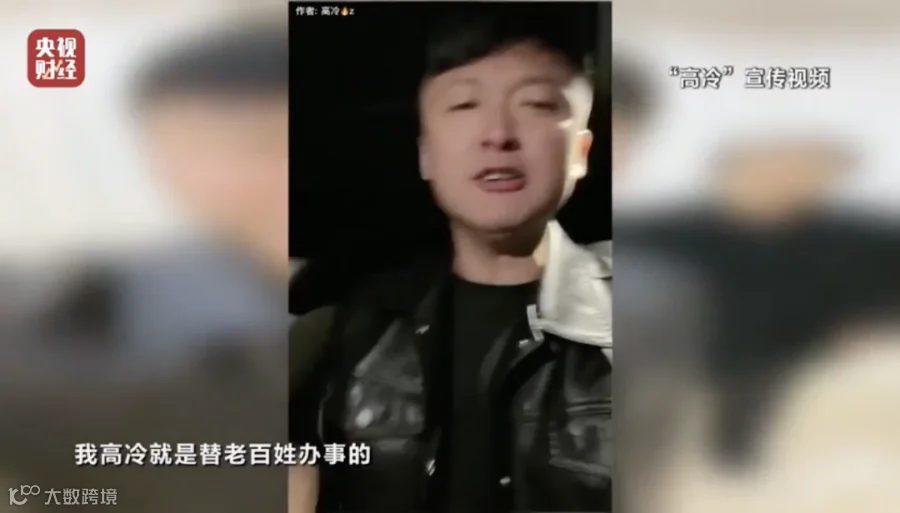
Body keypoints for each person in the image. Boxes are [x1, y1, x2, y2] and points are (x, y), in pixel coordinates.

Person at [290, 7, 610, 513]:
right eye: (464, 104)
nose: (498, 134)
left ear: (580, 152)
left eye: (536, 103)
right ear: (425, 154)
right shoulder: (343, 333)